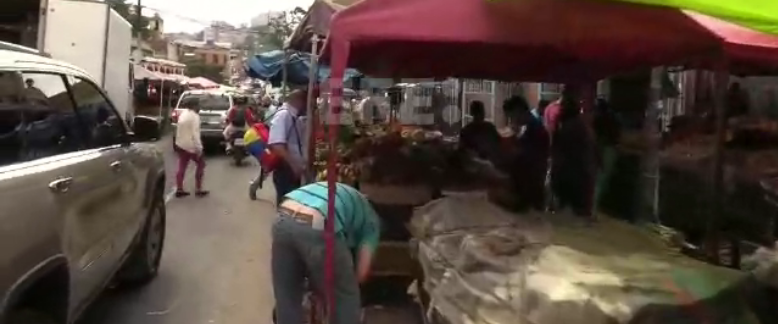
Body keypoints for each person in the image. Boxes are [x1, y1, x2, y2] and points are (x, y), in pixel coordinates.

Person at [272, 181, 380, 324]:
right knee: (345, 296)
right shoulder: (371, 219)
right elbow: (361, 272)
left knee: (287, 295)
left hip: (283, 218)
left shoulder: (342, 191)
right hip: (318, 223)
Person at [549, 85, 596, 219]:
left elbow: (556, 152)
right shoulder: (577, 125)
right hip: (575, 178)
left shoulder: (565, 124)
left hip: (568, 177)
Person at [507, 96, 550, 211]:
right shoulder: (530, 128)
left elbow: (530, 160)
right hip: (530, 187)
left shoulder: (535, 129)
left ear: (518, 110)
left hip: (531, 189)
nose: (512, 120)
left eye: (512, 116)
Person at [268, 89, 307, 205]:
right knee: (287, 205)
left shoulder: (294, 116)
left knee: (292, 204)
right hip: (286, 169)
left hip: (291, 169)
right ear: (299, 101)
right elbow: (277, 145)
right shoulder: (284, 115)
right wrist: (294, 166)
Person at [592, 98, 621, 213]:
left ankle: (593, 207)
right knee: (602, 179)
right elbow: (616, 135)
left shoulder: (597, 118)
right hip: (609, 148)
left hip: (600, 147)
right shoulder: (613, 118)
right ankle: (595, 207)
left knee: (597, 179)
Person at [174, 105, 209, 198]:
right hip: (191, 145)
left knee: (182, 165)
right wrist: (199, 148)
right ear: (196, 107)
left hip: (181, 144)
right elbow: (195, 134)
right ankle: (198, 189)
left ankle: (179, 188)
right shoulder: (195, 117)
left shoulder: (183, 114)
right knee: (201, 164)